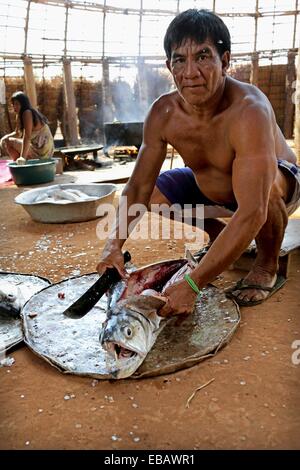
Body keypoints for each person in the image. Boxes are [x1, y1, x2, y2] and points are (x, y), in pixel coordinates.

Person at [97, 9, 299, 315]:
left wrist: (194, 283)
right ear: (169, 66)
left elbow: (254, 209)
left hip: (276, 192)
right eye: (180, 60)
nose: (190, 72)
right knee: (152, 194)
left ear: (225, 61)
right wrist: (113, 244)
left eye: (203, 56)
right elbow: (138, 187)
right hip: (214, 190)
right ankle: (219, 233)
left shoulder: (248, 109)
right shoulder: (163, 113)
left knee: (264, 188)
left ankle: (267, 262)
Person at [0, 91, 54, 161]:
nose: (14, 107)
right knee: (6, 141)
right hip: (38, 149)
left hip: (42, 151)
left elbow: (27, 136)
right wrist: (4, 138)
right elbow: (17, 133)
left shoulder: (27, 113)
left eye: (17, 104)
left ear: (23, 104)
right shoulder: (20, 115)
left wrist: (22, 157)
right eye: (13, 104)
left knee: (8, 142)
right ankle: (20, 163)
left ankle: (21, 164)